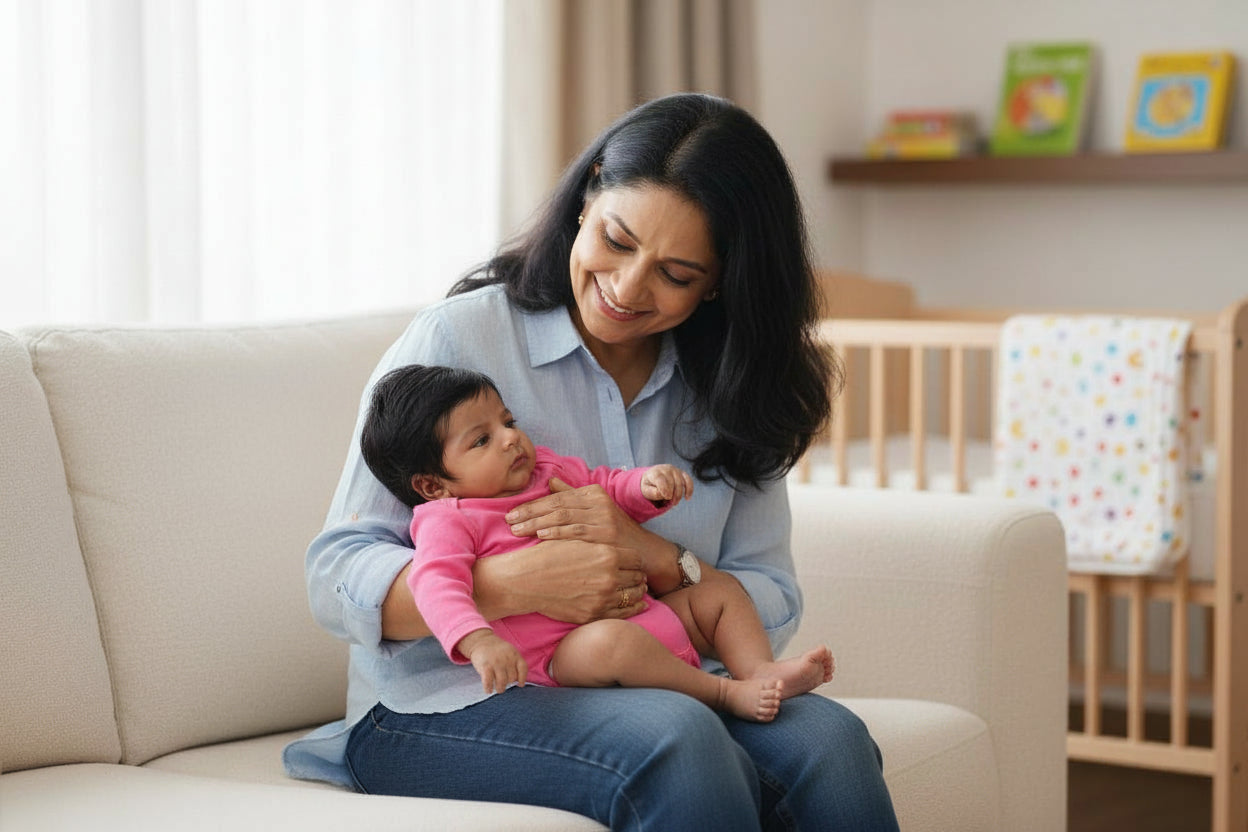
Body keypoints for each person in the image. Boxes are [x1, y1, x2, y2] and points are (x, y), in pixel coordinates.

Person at [284, 92, 899, 831]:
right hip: (442, 703)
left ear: (720, 283)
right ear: (587, 195)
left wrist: (655, 557)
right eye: (617, 239)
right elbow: (334, 575)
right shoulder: (460, 341)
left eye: (675, 274)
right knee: (675, 742)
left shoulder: (733, 387)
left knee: (831, 742)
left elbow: (775, 600)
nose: (628, 287)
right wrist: (506, 586)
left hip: (657, 680)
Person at [359, 363, 835, 722]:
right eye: (481, 440)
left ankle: (758, 672)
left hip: (648, 613)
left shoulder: (546, 469)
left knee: (721, 592)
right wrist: (478, 640)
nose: (509, 439)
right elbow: (436, 582)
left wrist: (645, 487)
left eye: (507, 421)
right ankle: (724, 695)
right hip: (565, 652)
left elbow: (604, 487)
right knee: (614, 642)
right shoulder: (449, 519)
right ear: (432, 485)